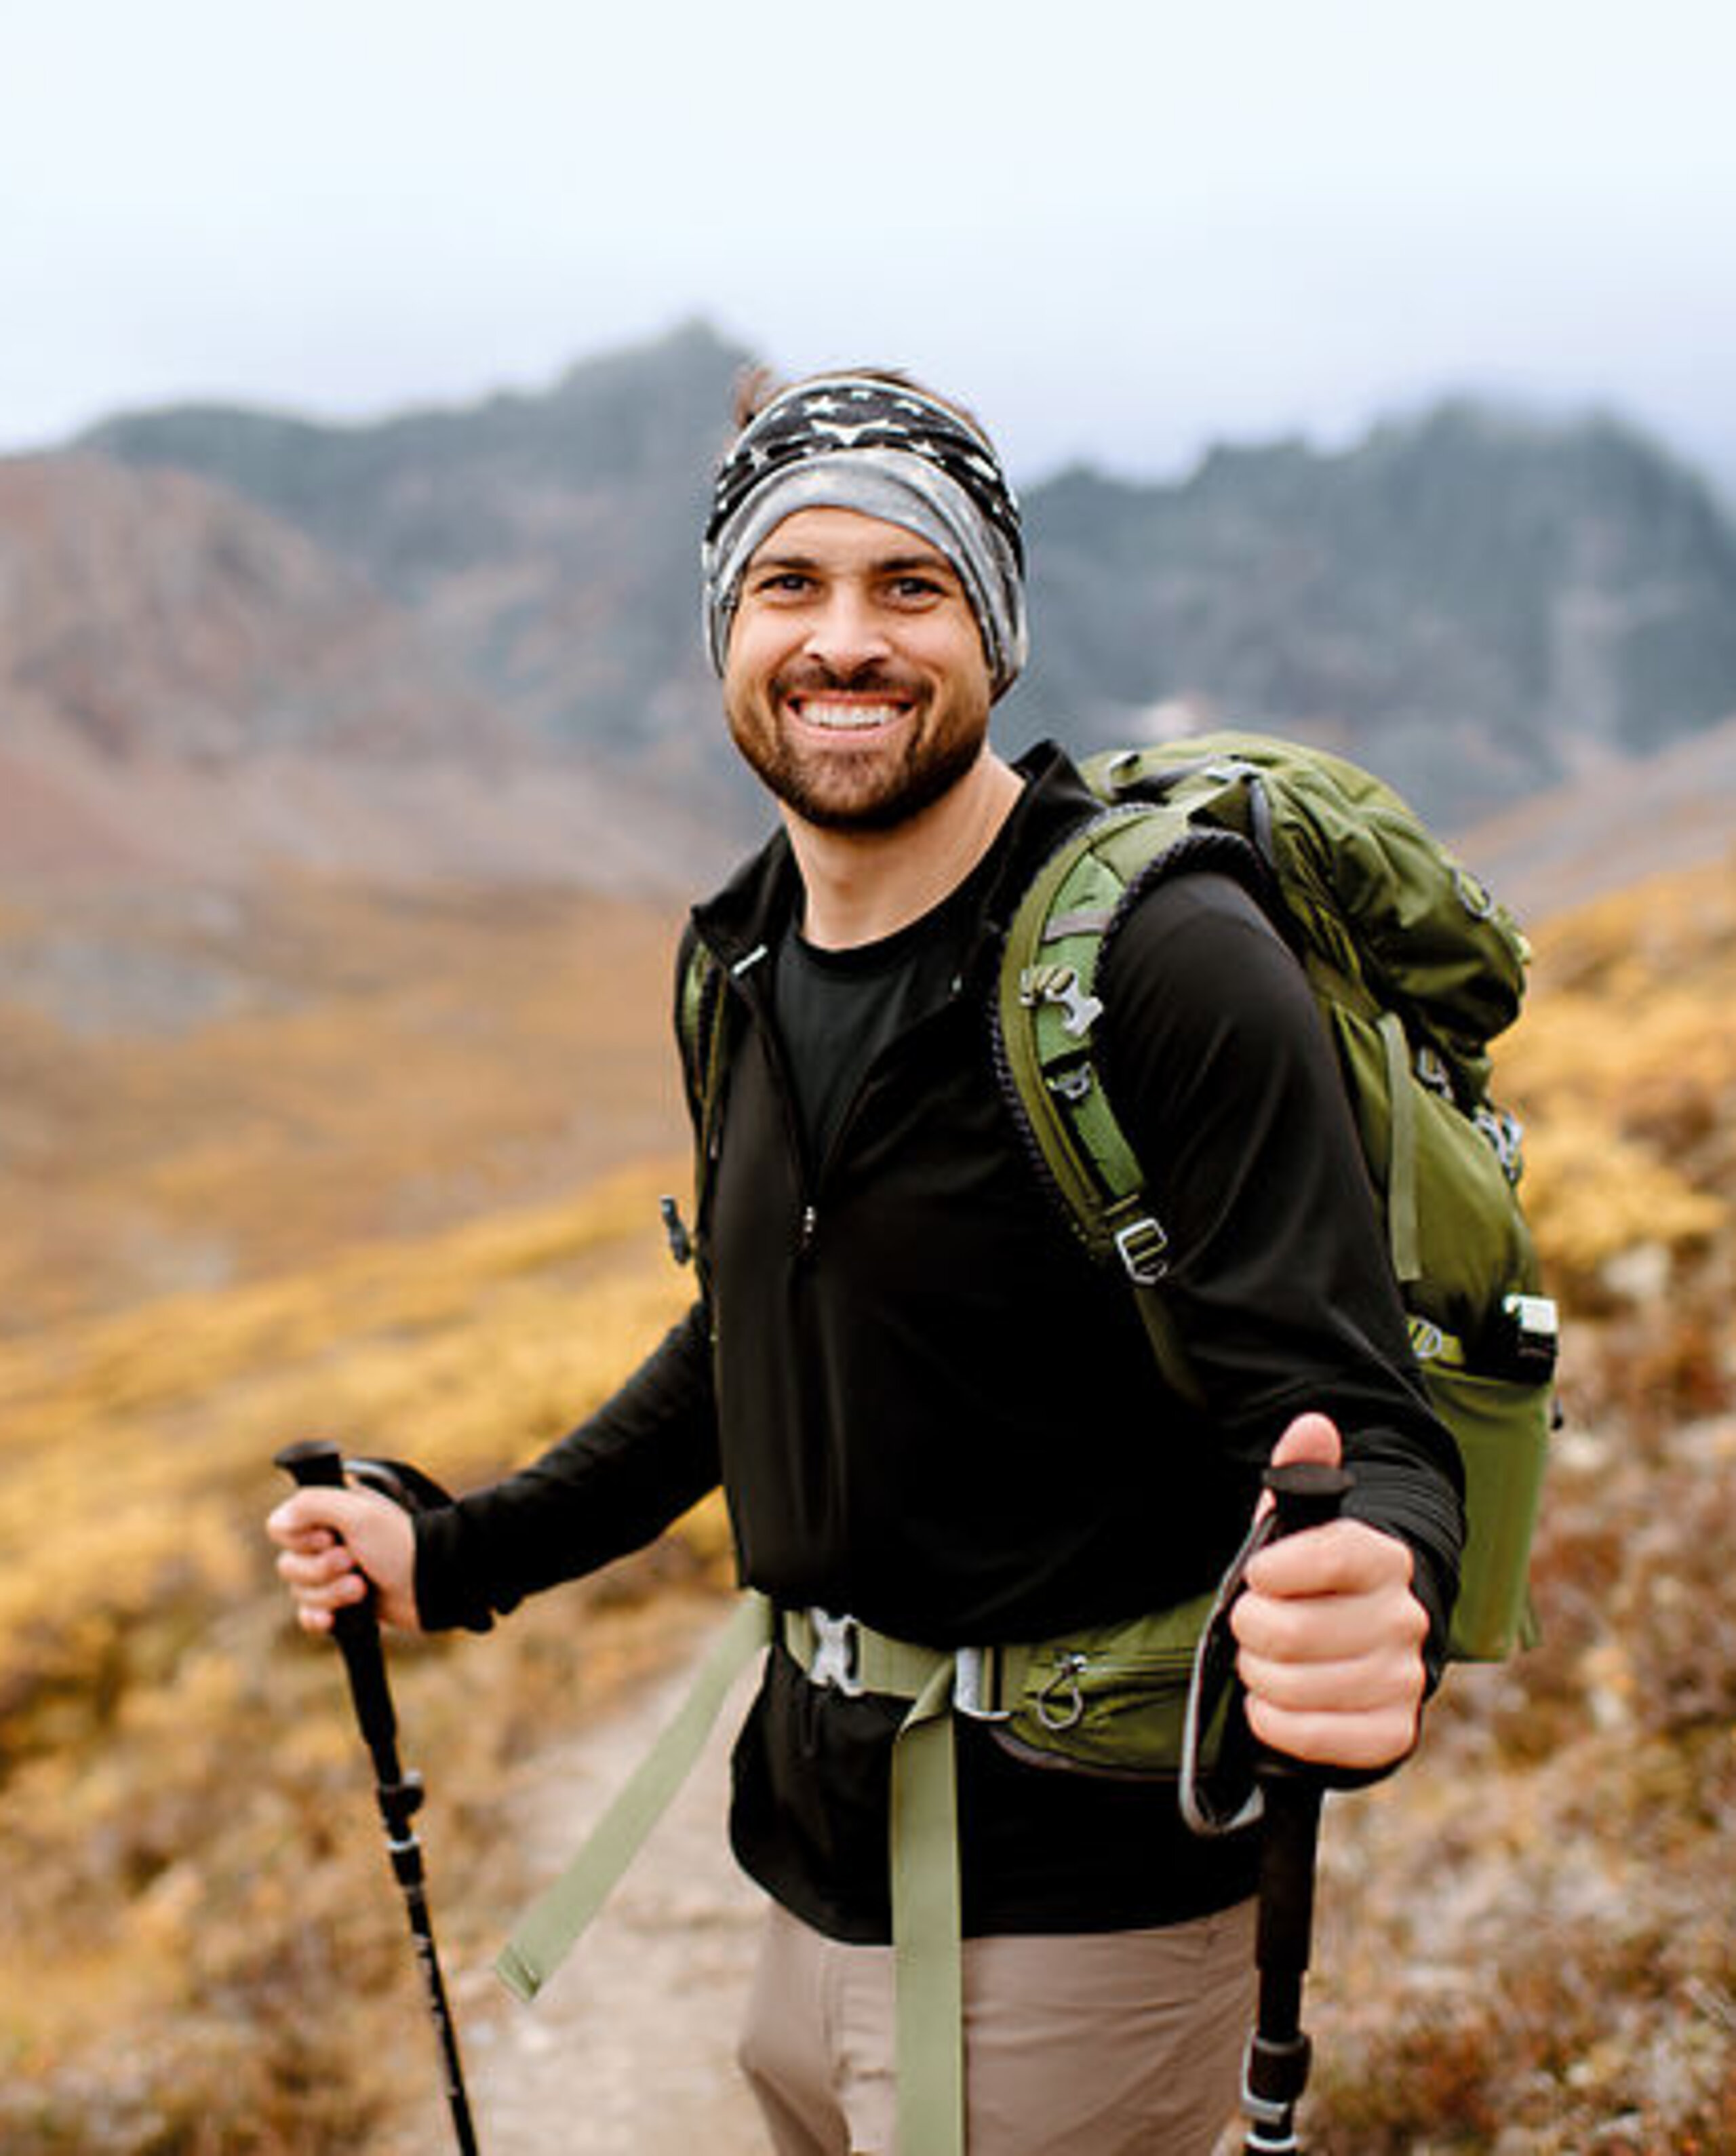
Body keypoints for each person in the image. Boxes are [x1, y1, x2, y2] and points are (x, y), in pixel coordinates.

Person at [269, 367, 1463, 2155]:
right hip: (807, 1862)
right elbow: (752, 1341)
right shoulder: (740, 957)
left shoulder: (1164, 959)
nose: (846, 639)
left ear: (996, 632)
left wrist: (1384, 1585)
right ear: (725, 630)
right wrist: (458, 1553)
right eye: (790, 584)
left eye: (913, 585)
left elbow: (1363, 1420)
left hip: (1084, 1909)